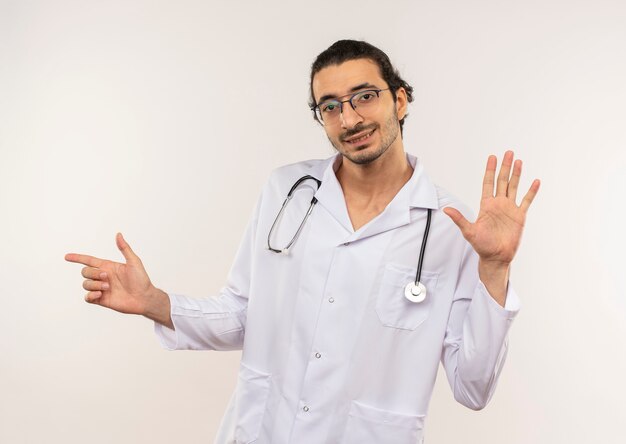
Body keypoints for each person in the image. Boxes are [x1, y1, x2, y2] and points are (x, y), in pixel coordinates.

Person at [66, 40, 540, 443]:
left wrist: (494, 269)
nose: (348, 118)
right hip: (262, 429)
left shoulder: (450, 228)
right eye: (329, 106)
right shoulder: (286, 191)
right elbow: (244, 314)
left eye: (364, 96)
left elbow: (472, 388)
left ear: (400, 100)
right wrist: (157, 303)